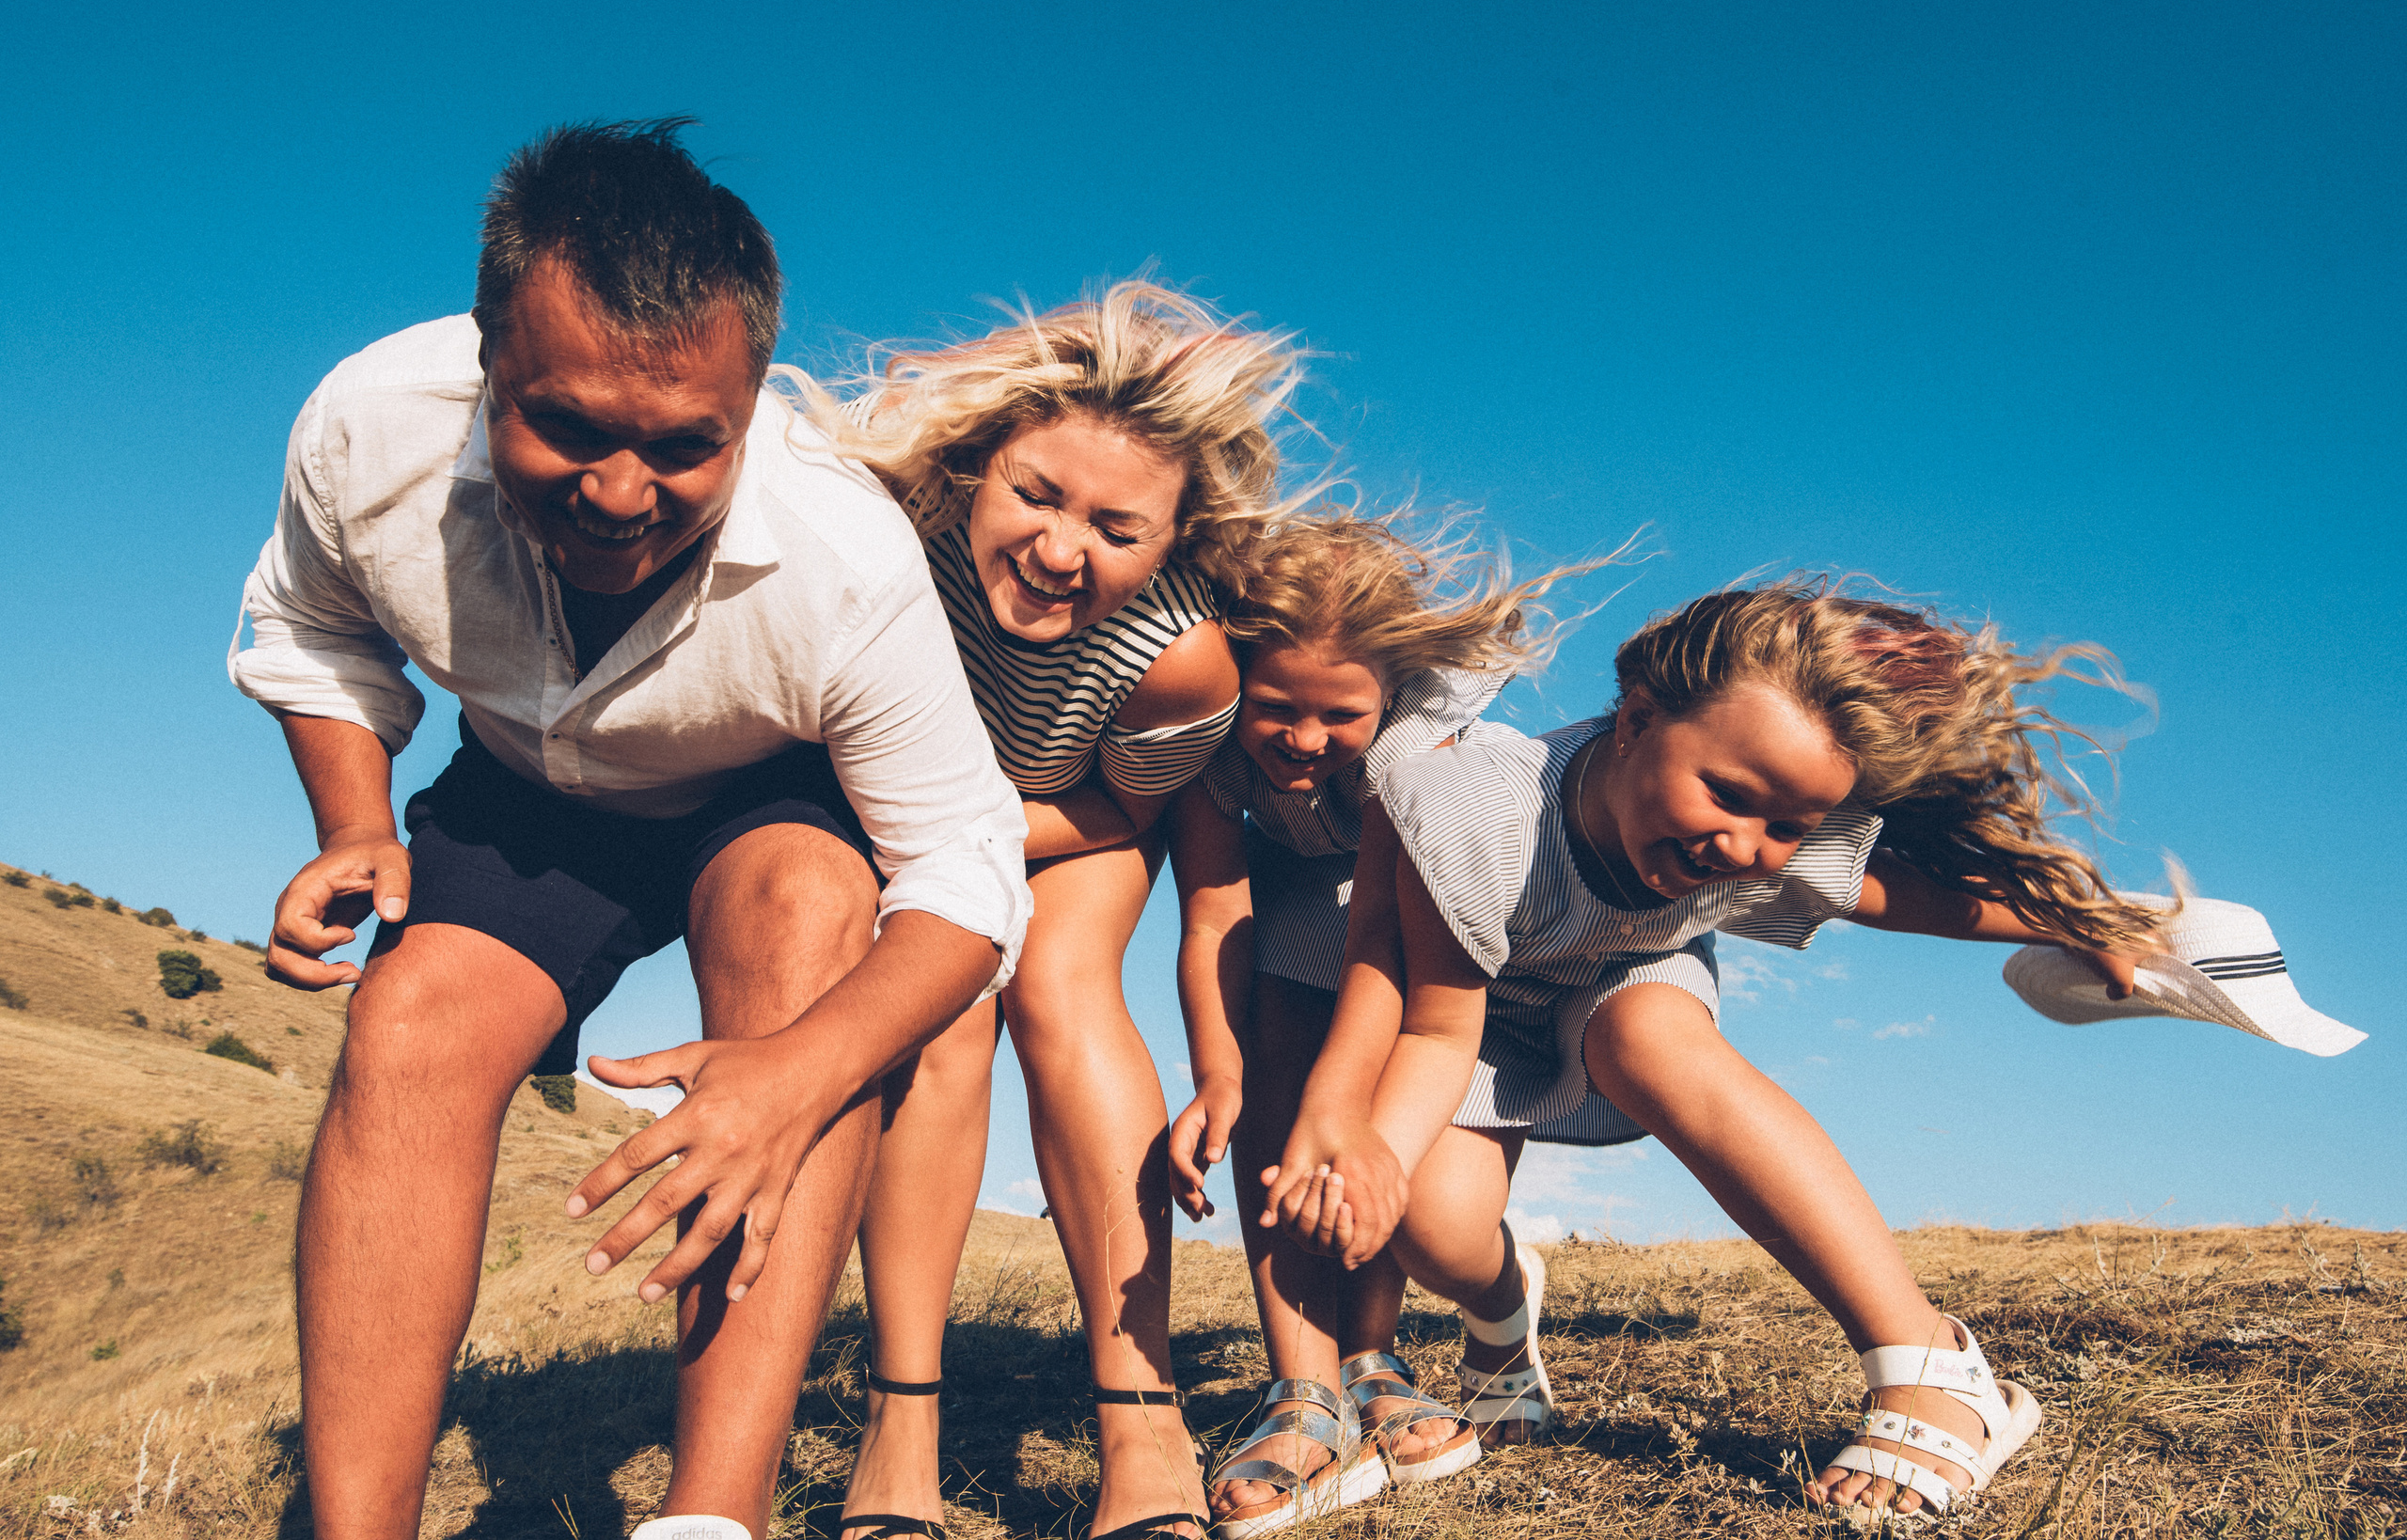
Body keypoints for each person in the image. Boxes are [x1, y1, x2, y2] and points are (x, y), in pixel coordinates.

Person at [228, 119, 1031, 1540]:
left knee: (805, 938)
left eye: (680, 448)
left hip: (764, 797)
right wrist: (354, 820)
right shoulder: (364, 429)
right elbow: (312, 631)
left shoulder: (845, 562)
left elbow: (967, 873)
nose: (617, 494)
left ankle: (709, 1518)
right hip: (533, 789)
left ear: (754, 399)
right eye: (568, 427)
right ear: (487, 359)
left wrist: (797, 1073)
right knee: (409, 1023)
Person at [1262, 580, 2171, 1521]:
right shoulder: (1471, 819)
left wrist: (2075, 920)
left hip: (1628, 984)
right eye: (1727, 797)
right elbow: (1438, 1026)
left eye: (1786, 826)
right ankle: (1497, 1311)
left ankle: (1928, 1362)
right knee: (1437, 1232)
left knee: (1647, 1037)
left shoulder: (1767, 824)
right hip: (1480, 1015)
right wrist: (1377, 1156)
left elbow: (1918, 901)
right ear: (1638, 716)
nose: (1745, 845)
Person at [800, 284, 1298, 1540]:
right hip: (905, 806)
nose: (1064, 549)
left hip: (1074, 813)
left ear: (1171, 540)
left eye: (1117, 528)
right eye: (1038, 495)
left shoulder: (1177, 655)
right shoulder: (889, 538)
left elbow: (1138, 817)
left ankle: (1143, 1421)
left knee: (1060, 991)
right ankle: (898, 1418)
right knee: (940, 1002)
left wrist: (970, 834)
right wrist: (932, 842)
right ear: (978, 466)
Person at [1157, 511, 1590, 1534]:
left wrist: (1340, 1102)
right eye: (1275, 706)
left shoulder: (1416, 760)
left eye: (1337, 714)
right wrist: (1217, 1076)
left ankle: (1370, 1354)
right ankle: (1302, 1389)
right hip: (1307, 897)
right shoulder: (1213, 745)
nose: (1303, 741)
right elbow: (1216, 909)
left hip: (1425, 924)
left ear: (1387, 696)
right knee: (1272, 1051)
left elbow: (1390, 961)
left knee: (1358, 1117)